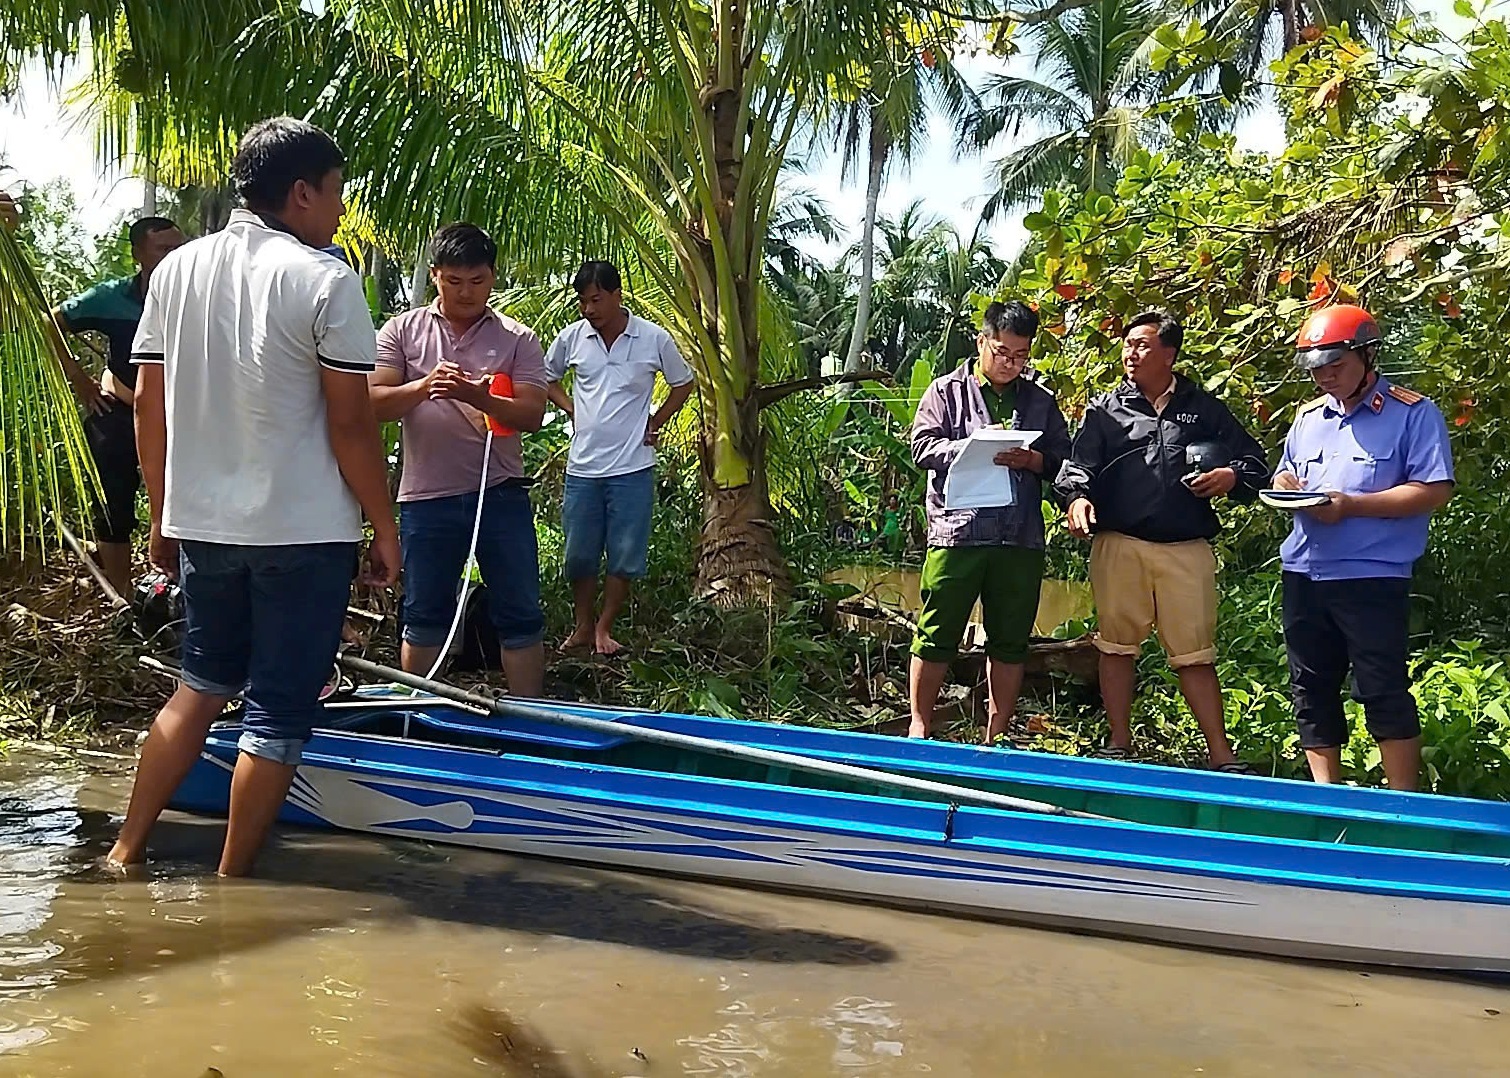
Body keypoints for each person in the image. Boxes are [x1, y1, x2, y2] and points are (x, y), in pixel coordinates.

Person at [107, 116, 399, 877]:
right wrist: (386, 527)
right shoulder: (326, 278)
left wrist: (163, 513)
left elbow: (150, 404)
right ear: (300, 193)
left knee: (199, 689)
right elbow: (351, 422)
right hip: (300, 531)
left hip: (205, 523)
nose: (339, 210)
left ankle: (124, 850)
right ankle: (232, 882)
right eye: (335, 194)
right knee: (275, 712)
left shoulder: (175, 272)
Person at [1055, 311, 1266, 773]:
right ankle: (1118, 742)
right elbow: (1078, 469)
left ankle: (1221, 756)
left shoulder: (1203, 408)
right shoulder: (1104, 410)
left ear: (1169, 354)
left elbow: (1255, 461)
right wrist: (1076, 500)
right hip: (1119, 543)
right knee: (1115, 646)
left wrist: (1230, 476)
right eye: (1128, 344)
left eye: (1142, 345)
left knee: (1195, 653)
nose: (1130, 354)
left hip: (1186, 549)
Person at [1272, 304, 1453, 791]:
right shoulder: (1308, 418)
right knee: (1311, 687)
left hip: (1373, 574)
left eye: (1337, 366)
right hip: (1305, 571)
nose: (1326, 377)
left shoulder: (1412, 412)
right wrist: (1285, 481)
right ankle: (1326, 798)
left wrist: (1351, 505)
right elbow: (1286, 470)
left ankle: (1402, 806)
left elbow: (1433, 489)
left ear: (1368, 355)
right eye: (1317, 370)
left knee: (1381, 688)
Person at [370, 223, 549, 693]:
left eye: (477, 281)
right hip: (427, 497)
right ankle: (411, 717)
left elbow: (532, 414)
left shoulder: (517, 339)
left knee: (520, 612)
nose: (466, 292)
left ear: (492, 278)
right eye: (454, 281)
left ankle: (529, 729)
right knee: (425, 612)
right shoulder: (401, 332)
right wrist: (423, 386)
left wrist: (479, 397)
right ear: (434, 276)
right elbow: (371, 403)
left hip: (500, 494)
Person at [909, 301, 1072, 744]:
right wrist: (972, 446)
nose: (1010, 363)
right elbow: (922, 447)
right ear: (982, 342)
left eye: (1021, 356)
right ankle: (919, 725)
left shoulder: (1040, 401)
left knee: (1010, 637)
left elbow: (1063, 460)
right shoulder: (945, 392)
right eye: (1002, 352)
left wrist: (1032, 459)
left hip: (1018, 536)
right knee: (938, 629)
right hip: (958, 532)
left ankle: (995, 734)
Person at [545, 261, 695, 656]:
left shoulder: (652, 338)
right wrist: (571, 409)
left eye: (596, 299)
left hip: (633, 467)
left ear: (616, 296)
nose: (588, 309)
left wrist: (657, 420)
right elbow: (547, 378)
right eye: (582, 301)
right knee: (579, 553)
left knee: (625, 554)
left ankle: (604, 628)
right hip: (583, 467)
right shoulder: (572, 338)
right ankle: (581, 625)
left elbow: (683, 382)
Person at [46, 209, 185, 596]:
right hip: (119, 409)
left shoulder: (198, 297)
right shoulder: (112, 297)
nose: (173, 256)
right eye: (162, 249)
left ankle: (184, 586)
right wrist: (80, 381)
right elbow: (52, 322)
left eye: (179, 248)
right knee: (113, 501)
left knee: (189, 500)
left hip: (182, 416)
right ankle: (122, 597)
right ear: (139, 254)